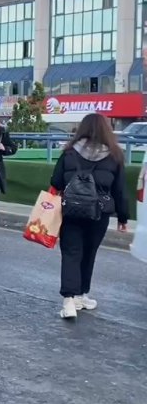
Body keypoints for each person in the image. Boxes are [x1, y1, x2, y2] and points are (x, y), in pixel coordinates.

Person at [50, 113, 129, 319]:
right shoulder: (115, 155)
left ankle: (68, 301)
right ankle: (82, 295)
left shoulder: (68, 153)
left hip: (71, 211)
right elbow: (120, 190)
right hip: (99, 213)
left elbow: (56, 181)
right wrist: (123, 217)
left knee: (71, 253)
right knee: (89, 253)